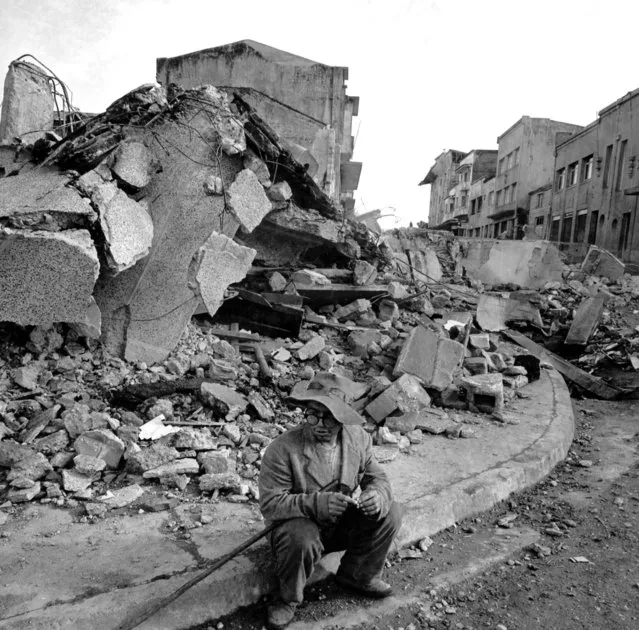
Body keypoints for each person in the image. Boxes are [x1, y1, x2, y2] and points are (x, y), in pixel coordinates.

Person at [258, 372, 403, 629]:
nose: (319, 424)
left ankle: (358, 575)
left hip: (338, 525)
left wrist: (376, 495)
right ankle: (288, 599)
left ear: (343, 418)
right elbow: (271, 504)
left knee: (390, 511)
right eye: (313, 414)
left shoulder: (358, 439)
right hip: (298, 532)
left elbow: (377, 477)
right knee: (300, 535)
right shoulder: (282, 450)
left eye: (330, 417)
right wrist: (316, 503)